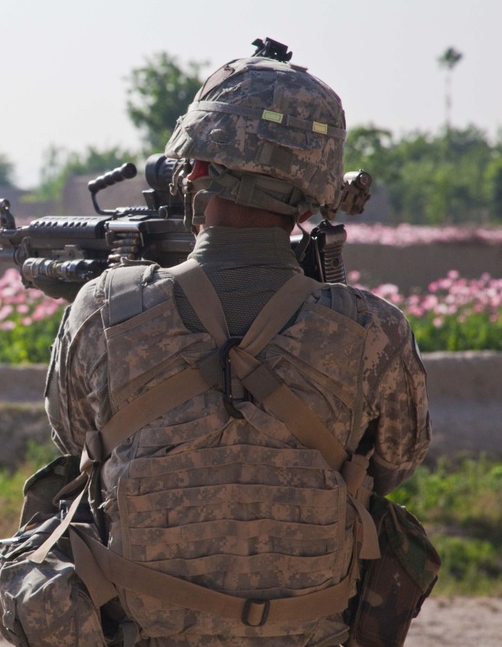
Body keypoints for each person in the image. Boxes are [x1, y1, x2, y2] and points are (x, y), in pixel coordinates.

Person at [42, 49, 432, 646]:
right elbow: (394, 466)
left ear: (194, 170)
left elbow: (76, 443)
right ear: (314, 198)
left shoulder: (102, 307)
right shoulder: (373, 329)